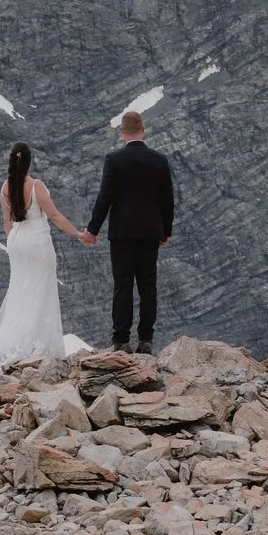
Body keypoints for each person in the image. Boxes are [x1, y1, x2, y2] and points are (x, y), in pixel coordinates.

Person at [0, 142, 89, 374]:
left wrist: (15, 242)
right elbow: (54, 215)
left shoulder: (5, 188)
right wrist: (78, 233)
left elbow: (7, 222)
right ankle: (40, 346)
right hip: (37, 241)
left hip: (17, 241)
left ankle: (16, 344)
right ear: (29, 162)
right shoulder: (36, 186)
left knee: (20, 290)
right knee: (41, 289)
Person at [85, 110, 175, 353]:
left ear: (122, 131)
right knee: (148, 286)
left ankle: (121, 341)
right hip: (150, 233)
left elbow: (105, 197)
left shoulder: (114, 159)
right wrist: (165, 231)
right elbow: (167, 199)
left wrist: (92, 230)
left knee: (123, 286)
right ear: (143, 130)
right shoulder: (159, 160)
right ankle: (145, 340)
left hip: (122, 234)